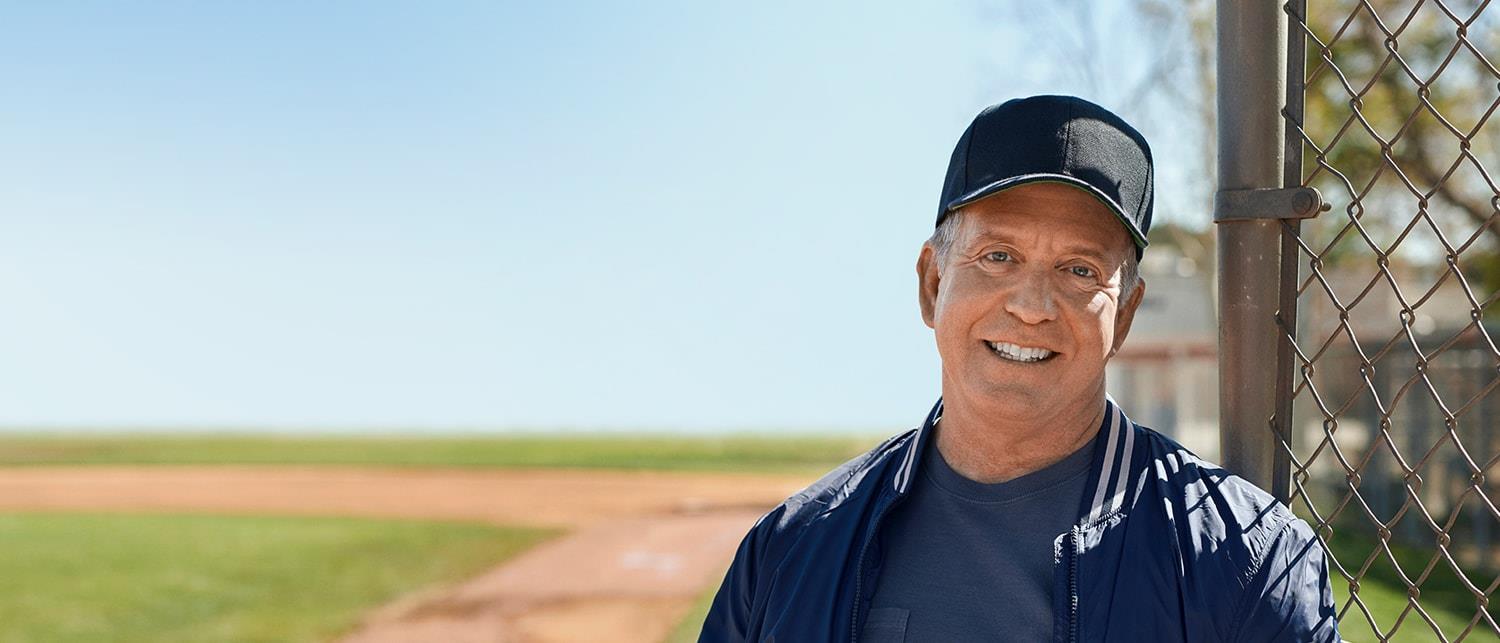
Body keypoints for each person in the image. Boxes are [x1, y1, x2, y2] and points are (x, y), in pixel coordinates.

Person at [697, 95, 1338, 642]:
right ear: (932, 283)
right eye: (998, 256)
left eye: (1080, 270)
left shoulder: (1245, 561)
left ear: (1127, 314)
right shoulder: (792, 550)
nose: (1032, 306)